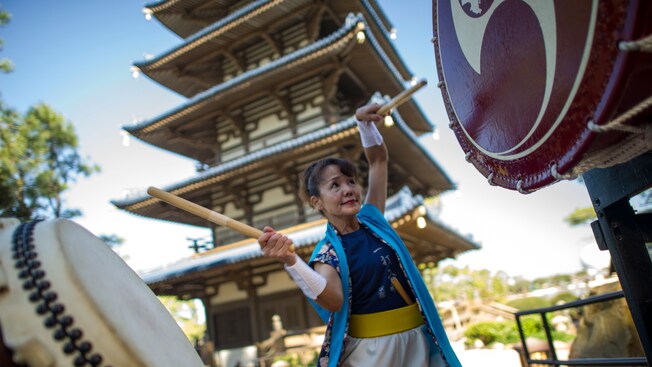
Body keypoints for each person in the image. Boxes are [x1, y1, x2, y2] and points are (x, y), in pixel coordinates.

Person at [258, 103, 461, 367]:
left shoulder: (373, 219)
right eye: (335, 185)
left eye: (350, 181)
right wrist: (291, 261)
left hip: (417, 338)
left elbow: (378, 161)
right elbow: (333, 300)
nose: (348, 189)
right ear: (317, 202)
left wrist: (364, 125)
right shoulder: (326, 252)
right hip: (373, 352)